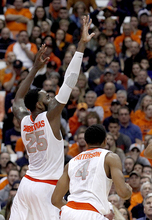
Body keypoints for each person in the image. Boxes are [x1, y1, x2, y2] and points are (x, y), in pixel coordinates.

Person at [9, 15, 94, 220]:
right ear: (39, 104)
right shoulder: (51, 115)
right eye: (45, 96)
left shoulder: (23, 118)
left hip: (27, 184)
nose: (50, 95)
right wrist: (81, 45)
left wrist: (35, 69)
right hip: (46, 188)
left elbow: (18, 98)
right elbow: (70, 80)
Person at [51, 124, 132, 219]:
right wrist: (128, 190)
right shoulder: (110, 157)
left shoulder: (72, 162)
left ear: (86, 142)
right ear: (105, 141)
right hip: (91, 213)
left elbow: (55, 200)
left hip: (69, 212)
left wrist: (75, 211)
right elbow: (123, 193)